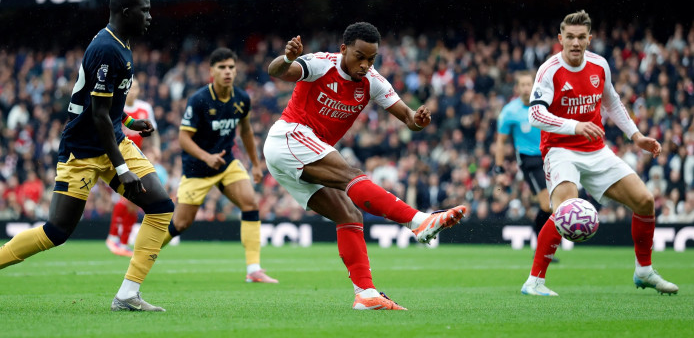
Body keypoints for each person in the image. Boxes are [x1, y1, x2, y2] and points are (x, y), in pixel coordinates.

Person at [0, 0, 175, 312]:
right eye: (144, 10)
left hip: (113, 139)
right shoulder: (107, 48)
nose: (149, 17)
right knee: (56, 231)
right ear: (126, 12)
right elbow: (98, 116)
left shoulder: (122, 44)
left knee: (160, 206)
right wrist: (122, 169)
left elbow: (104, 104)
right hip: (82, 151)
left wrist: (129, 122)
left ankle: (128, 294)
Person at [264, 22, 467, 310]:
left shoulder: (373, 81)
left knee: (348, 214)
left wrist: (418, 121)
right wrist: (287, 57)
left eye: (371, 59)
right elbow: (277, 72)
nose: (365, 65)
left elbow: (408, 118)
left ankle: (366, 294)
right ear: (344, 49)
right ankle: (418, 222)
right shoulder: (321, 64)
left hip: (301, 151)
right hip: (289, 136)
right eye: (359, 57)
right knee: (352, 175)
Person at [520, 10, 678, 296]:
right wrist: (575, 126)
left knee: (645, 201)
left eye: (581, 37)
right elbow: (535, 115)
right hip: (560, 149)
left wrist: (636, 136)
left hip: (595, 150)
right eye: (570, 37)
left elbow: (612, 103)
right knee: (565, 209)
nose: (575, 42)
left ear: (589, 39)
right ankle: (534, 282)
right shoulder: (549, 70)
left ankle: (644, 271)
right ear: (560, 38)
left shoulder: (599, 65)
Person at [161, 48, 278, 284]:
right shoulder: (199, 99)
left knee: (250, 203)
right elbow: (183, 138)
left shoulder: (241, 98)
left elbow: (246, 131)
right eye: (222, 67)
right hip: (197, 168)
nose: (227, 72)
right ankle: (144, 251)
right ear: (211, 71)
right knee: (181, 223)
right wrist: (206, 157)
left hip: (226, 164)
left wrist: (256, 165)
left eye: (231, 67)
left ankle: (254, 269)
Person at [494, 71, 556, 262]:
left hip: (550, 157)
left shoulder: (545, 104)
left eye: (529, 84)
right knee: (547, 204)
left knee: (554, 205)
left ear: (535, 85)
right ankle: (541, 248)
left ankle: (542, 247)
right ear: (517, 87)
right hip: (529, 160)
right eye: (522, 85)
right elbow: (501, 142)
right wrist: (499, 169)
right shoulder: (510, 111)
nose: (526, 88)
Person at [106, 80, 159, 257]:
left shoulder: (145, 108)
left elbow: (153, 132)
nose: (132, 91)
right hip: (118, 158)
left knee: (134, 201)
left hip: (136, 158)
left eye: (135, 88)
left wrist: (156, 148)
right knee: (130, 198)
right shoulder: (117, 107)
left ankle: (121, 241)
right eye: (130, 88)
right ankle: (114, 237)